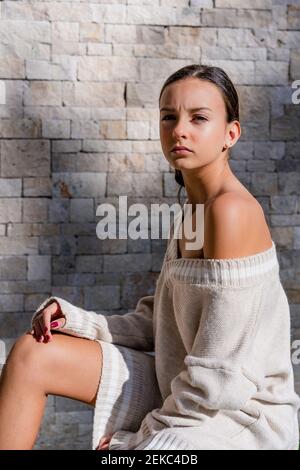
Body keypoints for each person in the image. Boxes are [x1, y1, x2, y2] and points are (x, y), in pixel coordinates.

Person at [0, 64, 299, 450]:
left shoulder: (232, 212)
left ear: (231, 133)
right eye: (169, 117)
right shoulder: (193, 213)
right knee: (33, 354)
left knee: (155, 453)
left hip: (240, 415)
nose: (179, 130)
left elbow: (223, 378)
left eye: (199, 118)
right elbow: (159, 322)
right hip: (184, 388)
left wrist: (135, 440)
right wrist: (78, 321)